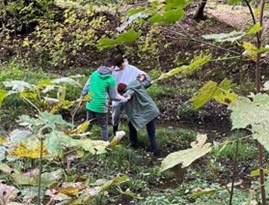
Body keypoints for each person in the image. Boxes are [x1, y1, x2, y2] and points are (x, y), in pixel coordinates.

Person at [81, 59, 130, 141]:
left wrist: (82, 98)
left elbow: (85, 89)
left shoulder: (94, 74)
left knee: (88, 124)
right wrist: (125, 99)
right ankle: (106, 146)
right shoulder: (111, 79)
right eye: (113, 69)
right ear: (111, 67)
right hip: (101, 107)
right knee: (104, 127)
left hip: (90, 104)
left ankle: (81, 140)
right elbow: (114, 96)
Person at [117, 74, 160, 156]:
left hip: (147, 112)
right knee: (149, 131)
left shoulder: (128, 92)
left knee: (146, 130)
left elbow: (129, 94)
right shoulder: (137, 85)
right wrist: (144, 75)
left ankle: (136, 144)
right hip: (152, 110)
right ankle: (154, 149)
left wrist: (125, 96)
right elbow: (148, 82)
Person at [112, 54, 149, 135]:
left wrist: (141, 77)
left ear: (123, 63)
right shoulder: (114, 70)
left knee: (131, 116)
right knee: (115, 113)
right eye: (117, 66)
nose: (119, 67)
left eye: (120, 65)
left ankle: (132, 138)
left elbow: (142, 74)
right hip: (118, 94)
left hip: (129, 94)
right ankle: (115, 130)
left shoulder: (131, 68)